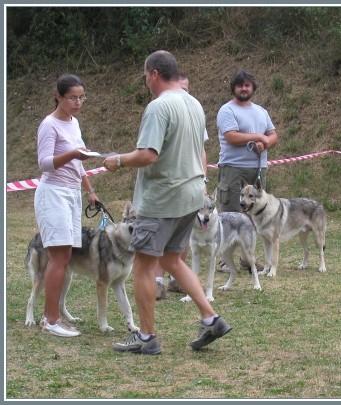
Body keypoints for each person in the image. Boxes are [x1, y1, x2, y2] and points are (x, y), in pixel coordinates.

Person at [103, 50, 231, 355]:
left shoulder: (158, 107)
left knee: (144, 267)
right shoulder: (194, 103)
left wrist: (118, 161)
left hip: (160, 199)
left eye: (145, 76)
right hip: (190, 196)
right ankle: (210, 317)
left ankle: (146, 338)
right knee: (173, 260)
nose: (146, 82)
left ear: (155, 74)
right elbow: (199, 149)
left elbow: (149, 154)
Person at [34, 74, 100, 337]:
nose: (78, 102)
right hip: (53, 193)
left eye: (81, 97)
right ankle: (51, 320)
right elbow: (44, 163)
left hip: (72, 193)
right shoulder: (49, 125)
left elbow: (79, 162)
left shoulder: (74, 124)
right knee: (58, 257)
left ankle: (55, 316)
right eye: (72, 97)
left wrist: (90, 190)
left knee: (65, 256)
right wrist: (73, 153)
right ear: (58, 97)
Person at [216, 69, 278, 270]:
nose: (244, 88)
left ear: (252, 88)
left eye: (247, 85)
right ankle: (225, 260)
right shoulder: (227, 110)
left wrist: (266, 142)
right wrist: (258, 137)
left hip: (258, 169)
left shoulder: (261, 111)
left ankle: (247, 259)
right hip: (234, 169)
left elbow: (272, 134)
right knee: (232, 214)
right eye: (240, 85)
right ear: (234, 88)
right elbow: (231, 137)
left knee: (255, 215)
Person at [155, 74, 209, 299]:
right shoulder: (162, 110)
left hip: (190, 186)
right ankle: (157, 282)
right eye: (180, 89)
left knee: (184, 236)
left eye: (187, 89)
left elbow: (201, 150)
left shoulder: (195, 111)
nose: (183, 93)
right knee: (161, 235)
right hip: (167, 186)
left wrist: (203, 180)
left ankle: (177, 280)